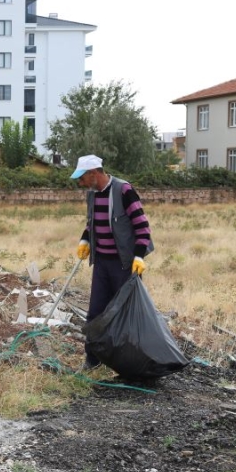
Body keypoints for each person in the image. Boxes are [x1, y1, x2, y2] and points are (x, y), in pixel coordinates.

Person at [71, 154, 153, 370]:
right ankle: (92, 361)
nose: (80, 183)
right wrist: (84, 240)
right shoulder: (93, 195)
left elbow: (142, 227)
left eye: (82, 178)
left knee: (127, 315)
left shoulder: (123, 190)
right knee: (95, 312)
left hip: (125, 265)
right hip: (102, 265)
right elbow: (92, 224)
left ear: (93, 173)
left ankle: (131, 364)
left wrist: (138, 256)